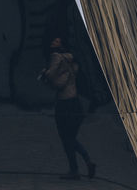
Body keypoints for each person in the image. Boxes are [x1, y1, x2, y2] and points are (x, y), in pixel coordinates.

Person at [40, 36, 95, 180]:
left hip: (64, 103)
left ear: (61, 44)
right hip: (76, 102)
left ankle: (78, 167)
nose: (53, 42)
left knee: (66, 138)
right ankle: (81, 165)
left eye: (56, 40)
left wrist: (45, 74)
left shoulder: (56, 56)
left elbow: (52, 76)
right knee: (70, 137)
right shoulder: (71, 59)